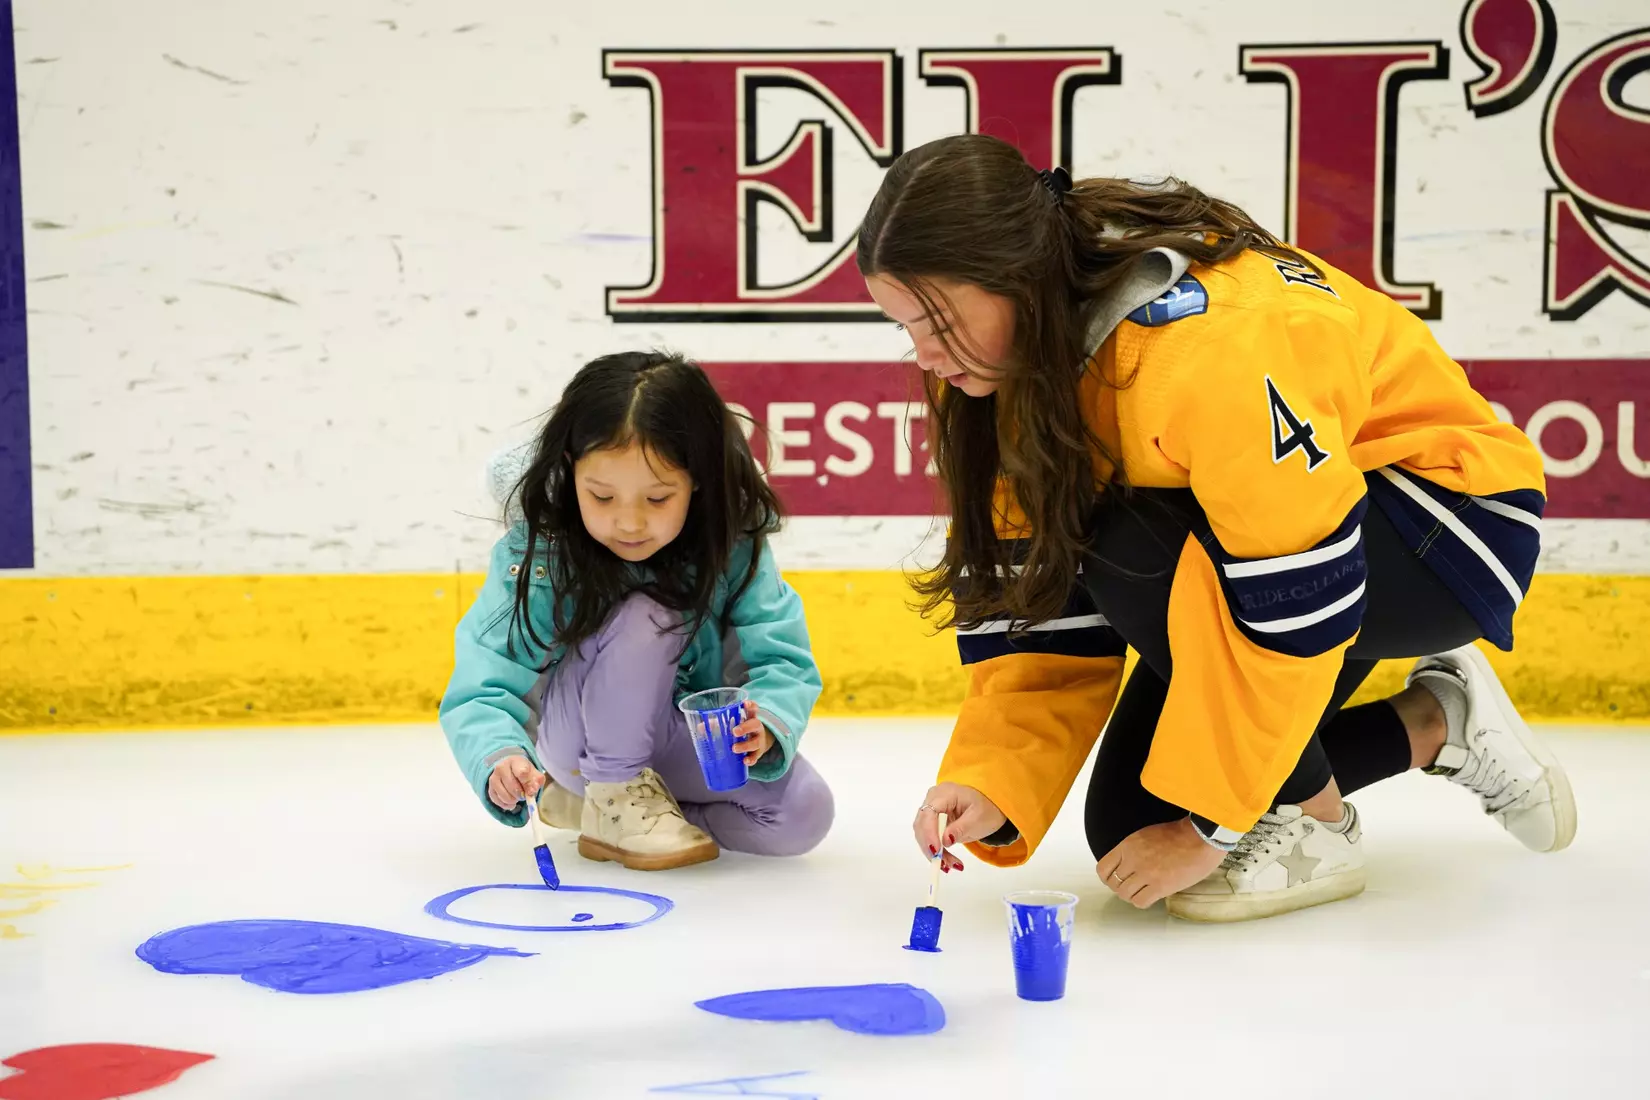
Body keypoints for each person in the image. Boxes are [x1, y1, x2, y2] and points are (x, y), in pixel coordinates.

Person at [858, 133, 1574, 922]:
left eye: (937, 318)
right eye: (905, 327)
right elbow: (1046, 610)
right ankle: (1436, 721)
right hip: (1274, 557)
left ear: (1019, 281)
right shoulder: (1000, 372)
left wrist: (1214, 826)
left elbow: (1301, 602)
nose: (925, 356)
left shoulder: (1213, 350)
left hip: (1445, 528)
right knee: (1131, 829)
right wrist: (991, 777)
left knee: (1128, 544)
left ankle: (1322, 823)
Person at [439, 351, 834, 871]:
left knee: (804, 814)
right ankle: (611, 791)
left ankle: (604, 815)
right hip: (581, 745)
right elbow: (482, 682)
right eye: (601, 496)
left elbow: (784, 660)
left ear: (697, 480)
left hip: (677, 739)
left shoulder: (731, 544)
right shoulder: (540, 553)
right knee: (652, 612)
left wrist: (769, 724)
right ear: (569, 471)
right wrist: (499, 757)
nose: (628, 522)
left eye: (657, 498)